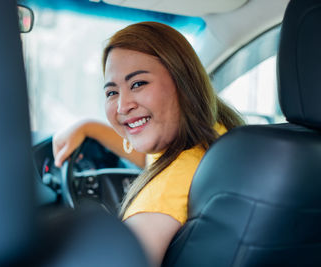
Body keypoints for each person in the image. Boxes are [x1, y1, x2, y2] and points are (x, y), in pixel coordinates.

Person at [53, 21, 244, 266]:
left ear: (183, 83)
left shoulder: (161, 197)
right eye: (112, 92)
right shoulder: (211, 135)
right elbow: (150, 156)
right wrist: (88, 127)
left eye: (138, 84)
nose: (123, 106)